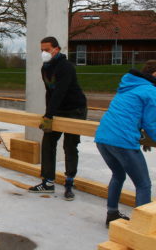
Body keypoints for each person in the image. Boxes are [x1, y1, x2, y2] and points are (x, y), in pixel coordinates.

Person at [95, 60, 156, 227]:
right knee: (143, 184)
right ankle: (141, 227)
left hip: (103, 138)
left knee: (118, 175)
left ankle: (112, 214)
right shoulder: (151, 90)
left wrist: (142, 136)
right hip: (122, 141)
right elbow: (151, 123)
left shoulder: (128, 87)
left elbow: (131, 115)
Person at [28, 36, 87, 201]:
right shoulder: (45, 68)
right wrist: (49, 114)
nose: (44, 53)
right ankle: (47, 181)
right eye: (41, 50)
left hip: (75, 109)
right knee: (48, 143)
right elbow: (50, 92)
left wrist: (48, 115)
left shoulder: (66, 67)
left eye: (46, 50)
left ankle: (69, 182)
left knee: (70, 145)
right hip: (58, 109)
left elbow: (60, 92)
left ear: (56, 49)